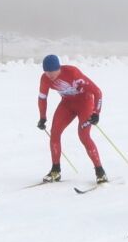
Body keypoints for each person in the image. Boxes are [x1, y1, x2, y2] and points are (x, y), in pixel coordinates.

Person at [37, 54, 106, 183]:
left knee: (83, 136)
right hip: (67, 104)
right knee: (55, 133)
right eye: (47, 72)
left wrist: (96, 113)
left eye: (52, 72)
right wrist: (42, 117)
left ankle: (100, 171)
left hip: (85, 103)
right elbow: (42, 98)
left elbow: (97, 92)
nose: (50, 75)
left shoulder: (72, 73)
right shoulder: (45, 79)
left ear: (59, 68)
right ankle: (55, 170)